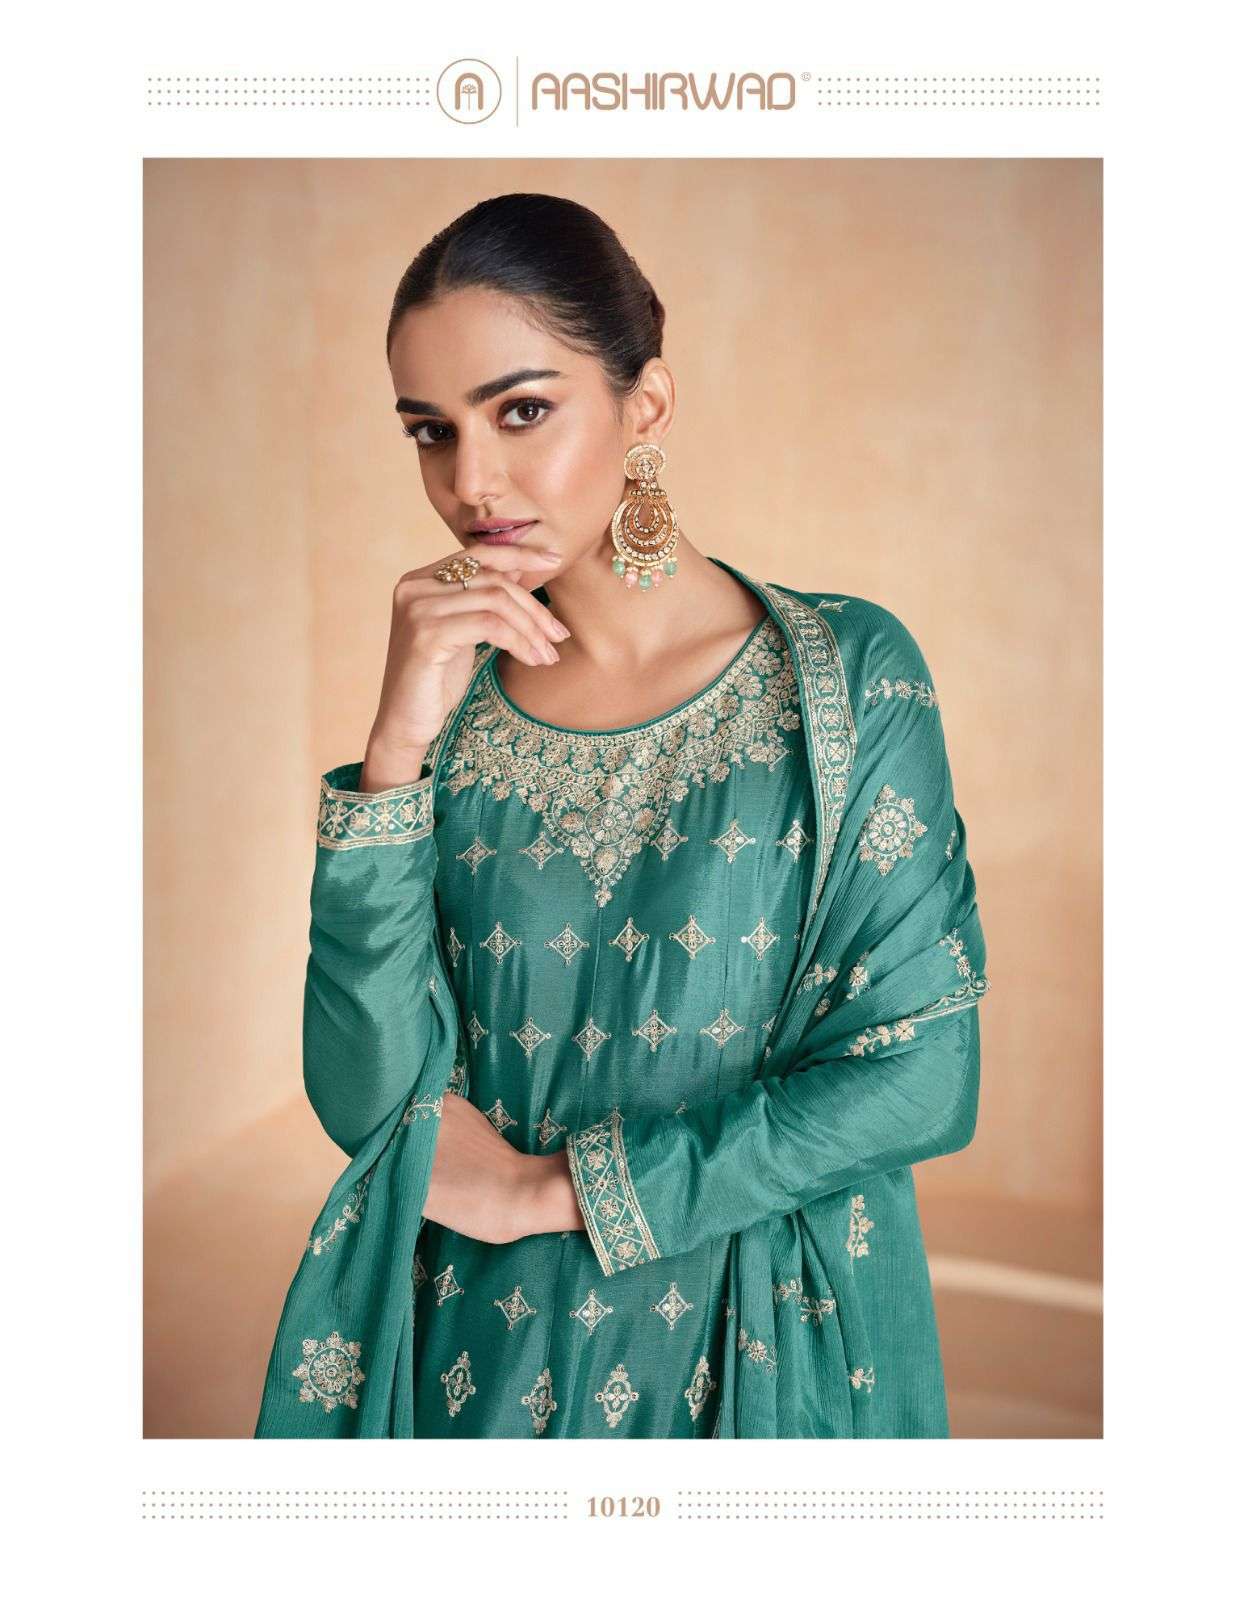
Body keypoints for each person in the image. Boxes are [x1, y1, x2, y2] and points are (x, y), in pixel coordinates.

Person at [254, 193, 990, 1440]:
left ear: (645, 405)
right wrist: (392, 757)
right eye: (430, 431)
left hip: (768, 1353)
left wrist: (552, 1191)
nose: (469, 482)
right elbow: (372, 1105)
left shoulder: (848, 680)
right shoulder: (452, 727)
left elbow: (922, 1076)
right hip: (483, 1361)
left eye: (520, 411)